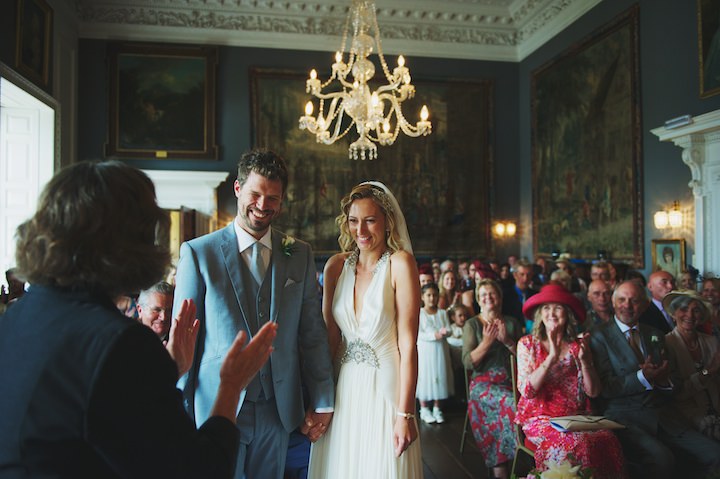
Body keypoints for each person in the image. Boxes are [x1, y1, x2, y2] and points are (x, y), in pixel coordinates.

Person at [0, 160, 277, 477]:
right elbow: (200, 470)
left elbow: (89, 414)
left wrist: (168, 372)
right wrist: (231, 386)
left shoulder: (17, 316)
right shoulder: (122, 343)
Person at [174, 149, 335, 479]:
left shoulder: (299, 254)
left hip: (278, 407)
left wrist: (322, 399)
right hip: (217, 405)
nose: (263, 206)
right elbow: (183, 341)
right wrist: (179, 410)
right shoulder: (199, 254)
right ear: (237, 189)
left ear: (282, 201)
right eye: (256, 194)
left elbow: (312, 331)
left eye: (272, 198)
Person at [308, 181, 422, 478]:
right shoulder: (335, 266)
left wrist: (405, 414)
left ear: (387, 223)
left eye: (370, 220)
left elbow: (408, 346)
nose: (361, 230)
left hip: (386, 390)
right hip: (343, 388)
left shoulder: (400, 264)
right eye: (354, 221)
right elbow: (330, 338)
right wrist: (321, 400)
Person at [590, 281, 720, 479]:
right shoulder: (599, 336)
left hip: (664, 417)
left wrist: (663, 380)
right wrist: (642, 377)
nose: (628, 305)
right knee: (662, 460)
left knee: (714, 454)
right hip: (626, 418)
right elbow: (605, 388)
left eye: (634, 301)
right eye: (622, 300)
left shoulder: (655, 335)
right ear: (614, 303)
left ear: (644, 305)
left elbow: (675, 383)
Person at [515, 284, 625, 479]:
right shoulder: (527, 344)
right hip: (540, 418)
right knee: (577, 441)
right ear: (540, 314)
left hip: (577, 417)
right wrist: (552, 357)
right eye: (547, 308)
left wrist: (585, 360)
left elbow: (593, 392)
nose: (552, 313)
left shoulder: (577, 346)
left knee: (607, 438)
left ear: (568, 315)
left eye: (558, 308)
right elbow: (527, 391)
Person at [462, 279, 521, 479]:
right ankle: (505, 462)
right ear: (478, 300)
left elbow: (525, 357)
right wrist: (486, 343)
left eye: (492, 294)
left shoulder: (512, 323)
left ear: (500, 298)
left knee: (528, 402)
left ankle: (525, 459)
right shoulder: (472, 325)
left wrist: (507, 341)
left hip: (512, 381)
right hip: (483, 385)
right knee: (511, 403)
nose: (488, 298)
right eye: (483, 295)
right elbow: (468, 363)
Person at [663, 290, 720, 441]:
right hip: (687, 413)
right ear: (674, 314)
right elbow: (677, 393)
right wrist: (708, 371)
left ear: (701, 316)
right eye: (683, 309)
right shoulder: (666, 343)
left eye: (696, 310)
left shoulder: (711, 341)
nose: (690, 315)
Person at [416, 282, 452, 424]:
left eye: (435, 295)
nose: (432, 298)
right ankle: (424, 408)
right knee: (426, 376)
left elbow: (449, 329)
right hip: (426, 350)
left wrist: (445, 332)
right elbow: (418, 334)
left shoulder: (442, 313)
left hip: (440, 349)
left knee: (440, 374)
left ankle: (437, 408)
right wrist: (433, 335)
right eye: (429, 295)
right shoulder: (420, 314)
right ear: (423, 297)